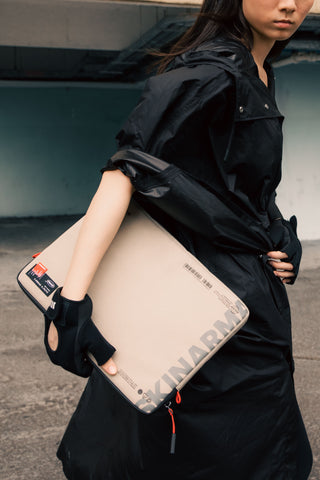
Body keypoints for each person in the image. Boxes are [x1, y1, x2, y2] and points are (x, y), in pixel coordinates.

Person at [44, 0, 314, 478]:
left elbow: (236, 184)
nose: (290, 3)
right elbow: (126, 170)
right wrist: (71, 301)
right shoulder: (213, 72)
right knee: (204, 448)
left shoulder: (259, 73)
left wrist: (275, 234)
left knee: (258, 446)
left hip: (248, 303)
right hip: (203, 302)